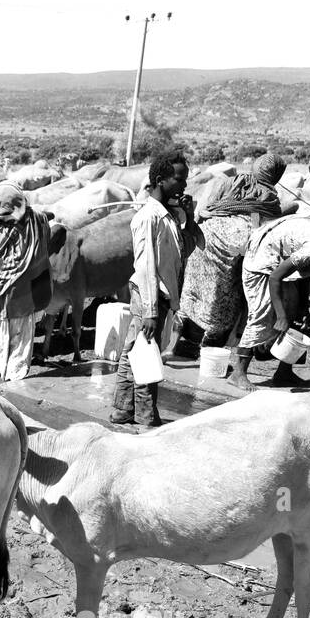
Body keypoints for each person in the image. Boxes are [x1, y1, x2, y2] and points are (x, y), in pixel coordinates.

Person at [111, 152, 200, 427]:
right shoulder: (148, 217)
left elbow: (188, 248)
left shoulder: (170, 216)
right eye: (179, 178)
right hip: (148, 297)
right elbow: (146, 266)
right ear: (161, 180)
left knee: (133, 353)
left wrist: (190, 216)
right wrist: (150, 311)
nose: (184, 184)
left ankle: (123, 410)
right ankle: (146, 416)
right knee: (147, 356)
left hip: (156, 297)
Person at [178, 153, 288, 348]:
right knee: (225, 300)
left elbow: (205, 210)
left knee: (190, 292)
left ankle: (172, 346)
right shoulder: (269, 196)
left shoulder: (229, 182)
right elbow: (263, 228)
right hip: (234, 248)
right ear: (277, 175)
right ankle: (210, 351)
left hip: (205, 237)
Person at [229, 214, 310, 390]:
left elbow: (303, 272)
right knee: (261, 315)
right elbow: (275, 277)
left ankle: (283, 373)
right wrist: (280, 316)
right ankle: (238, 373)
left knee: (293, 314)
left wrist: (303, 306)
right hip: (261, 264)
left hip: (279, 263)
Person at [0, 180, 54, 387]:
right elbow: (48, 227)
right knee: (19, 341)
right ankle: (14, 383)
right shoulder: (37, 218)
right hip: (26, 292)